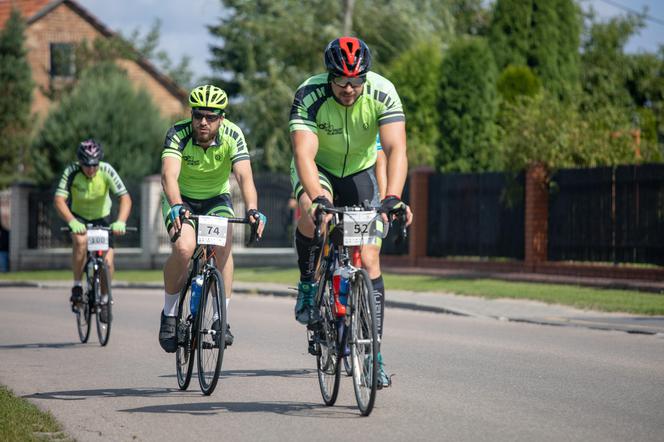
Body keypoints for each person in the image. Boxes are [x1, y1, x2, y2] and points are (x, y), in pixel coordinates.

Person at [289, 37, 413, 388]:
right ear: (328, 76)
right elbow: (303, 154)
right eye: (341, 81)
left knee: (370, 258)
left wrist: (393, 196)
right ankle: (308, 284)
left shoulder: (383, 91)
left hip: (360, 173)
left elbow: (395, 147)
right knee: (315, 214)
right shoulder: (309, 94)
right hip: (319, 168)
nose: (349, 88)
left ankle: (373, 354)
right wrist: (317, 197)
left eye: (356, 81)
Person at [158, 84, 266, 353]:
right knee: (184, 249)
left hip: (216, 200)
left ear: (222, 118)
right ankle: (169, 313)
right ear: (191, 115)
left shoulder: (233, 135)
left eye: (211, 116)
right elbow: (168, 176)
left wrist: (252, 208)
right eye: (198, 115)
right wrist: (176, 205)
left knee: (222, 248)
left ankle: (220, 319)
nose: (203, 122)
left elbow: (244, 176)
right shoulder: (178, 133)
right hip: (181, 199)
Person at [54, 139, 132, 322]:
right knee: (80, 242)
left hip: (102, 218)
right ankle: (77, 286)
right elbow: (59, 199)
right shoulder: (71, 171)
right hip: (79, 217)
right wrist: (71, 221)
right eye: (86, 165)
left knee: (108, 262)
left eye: (94, 165)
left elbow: (125, 198)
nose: (91, 169)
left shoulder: (106, 170)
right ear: (80, 162)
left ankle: (105, 300)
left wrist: (121, 221)